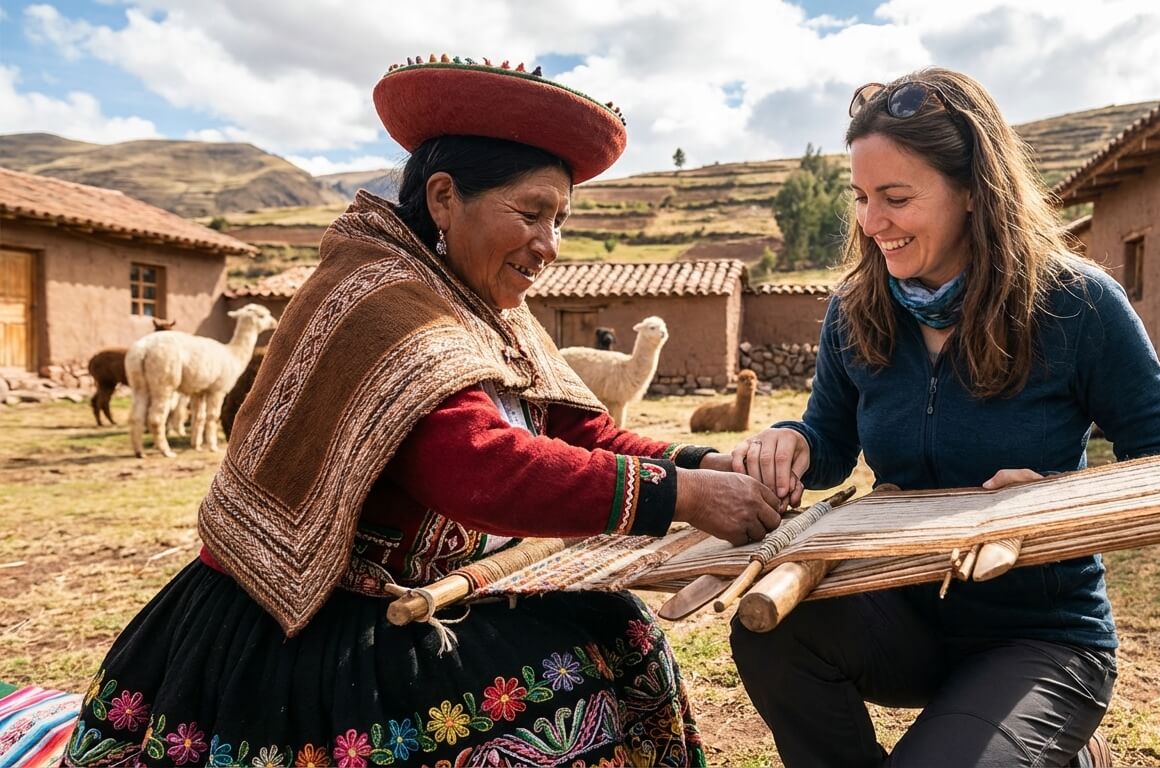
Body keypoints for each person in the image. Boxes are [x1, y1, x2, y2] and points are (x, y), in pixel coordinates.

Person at [63, 56, 783, 768]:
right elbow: (474, 467)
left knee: (620, 634)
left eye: (559, 220)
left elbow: (578, 429)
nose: (549, 246)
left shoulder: (490, 308)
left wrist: (701, 463)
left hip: (448, 588)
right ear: (443, 198)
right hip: (327, 619)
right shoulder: (381, 298)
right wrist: (683, 497)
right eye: (530, 213)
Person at [728, 67, 1160, 767]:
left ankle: (1057, 744)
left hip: (1041, 635)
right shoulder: (858, 310)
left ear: (974, 192)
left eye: (895, 198)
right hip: (905, 614)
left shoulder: (1078, 304)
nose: (870, 222)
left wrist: (1060, 502)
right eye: (860, 198)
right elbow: (829, 439)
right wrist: (792, 441)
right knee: (769, 630)